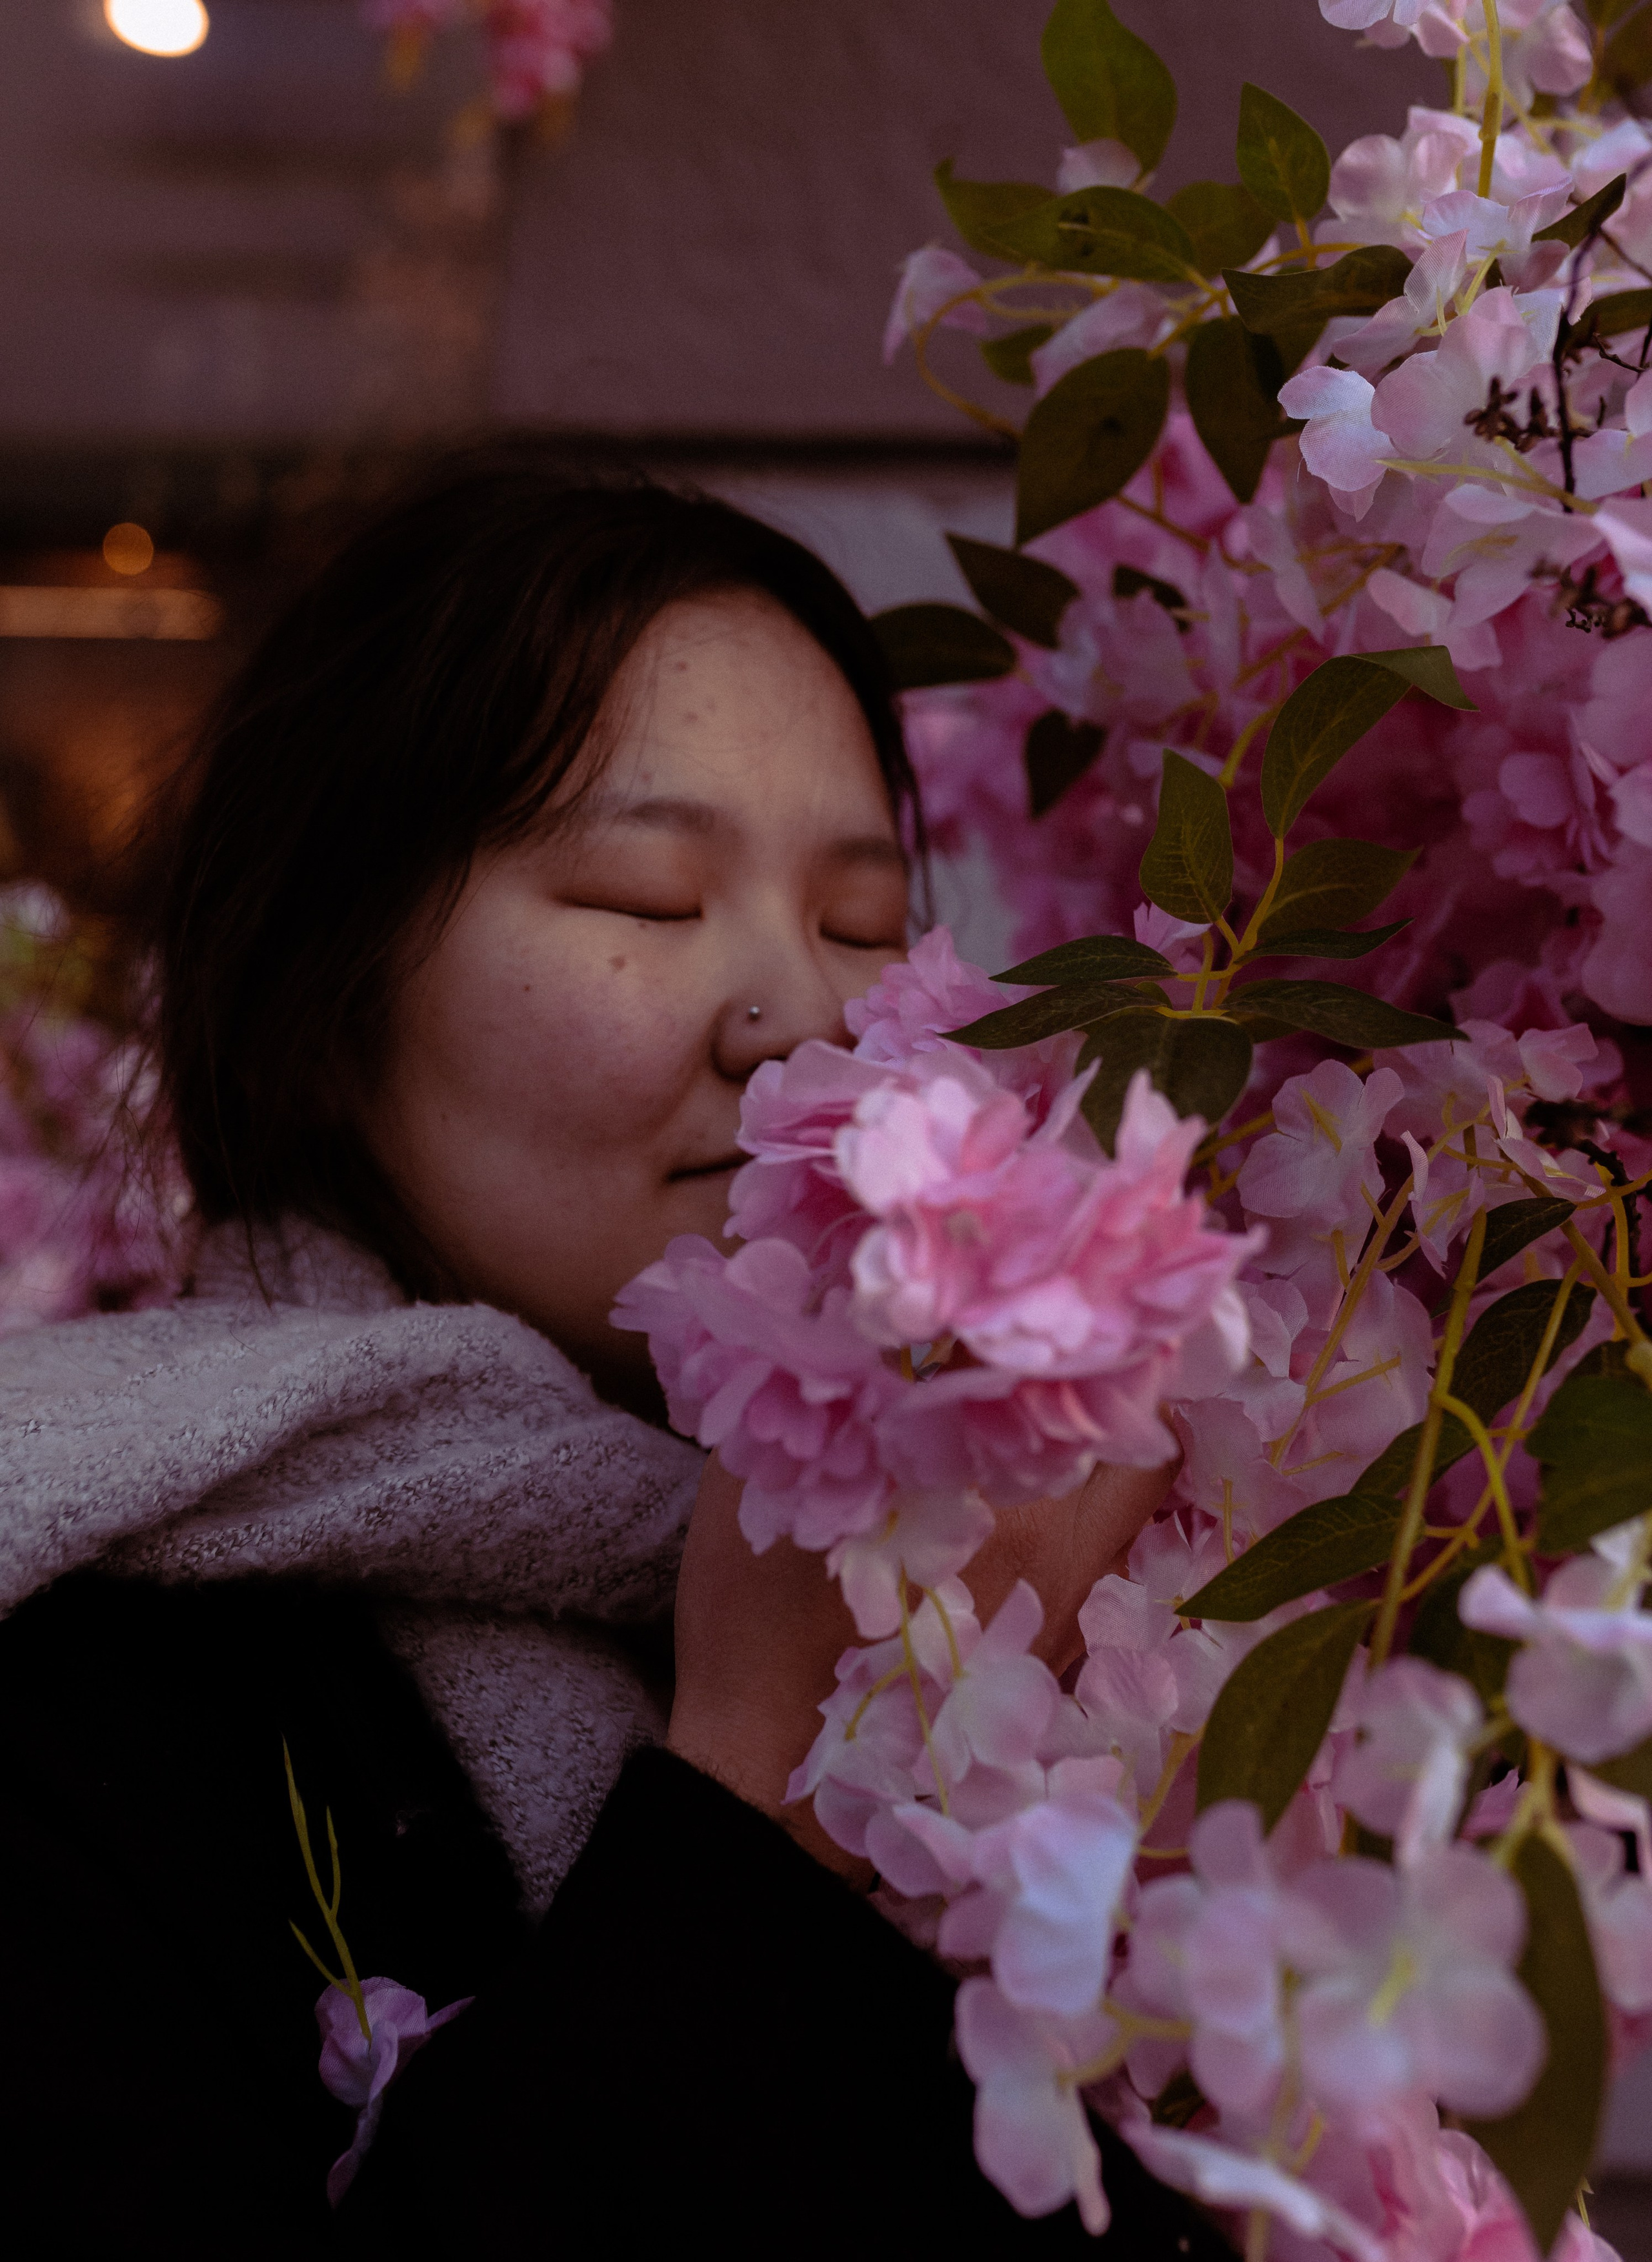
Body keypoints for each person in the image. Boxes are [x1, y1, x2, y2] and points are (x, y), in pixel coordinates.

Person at [0, 458, 1220, 2257]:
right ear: (321, 1017)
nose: (797, 1011)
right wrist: (757, 1801)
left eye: (865, 923)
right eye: (645, 897)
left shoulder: (1039, 1593)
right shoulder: (80, 1694)